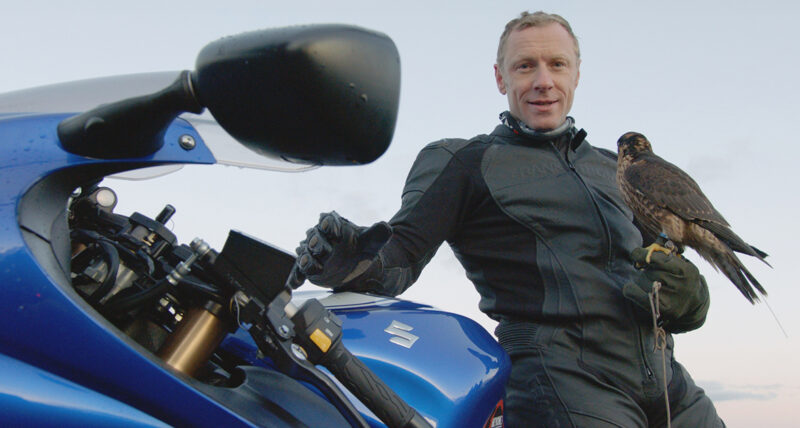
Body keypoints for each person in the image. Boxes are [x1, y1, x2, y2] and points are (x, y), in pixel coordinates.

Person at [290, 11, 724, 428]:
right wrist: (349, 260)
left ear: (576, 74)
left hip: (668, 384)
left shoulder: (616, 169)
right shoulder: (465, 162)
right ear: (500, 78)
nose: (543, 81)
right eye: (524, 66)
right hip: (565, 386)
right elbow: (398, 258)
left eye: (557, 64)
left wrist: (692, 299)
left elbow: (668, 265)